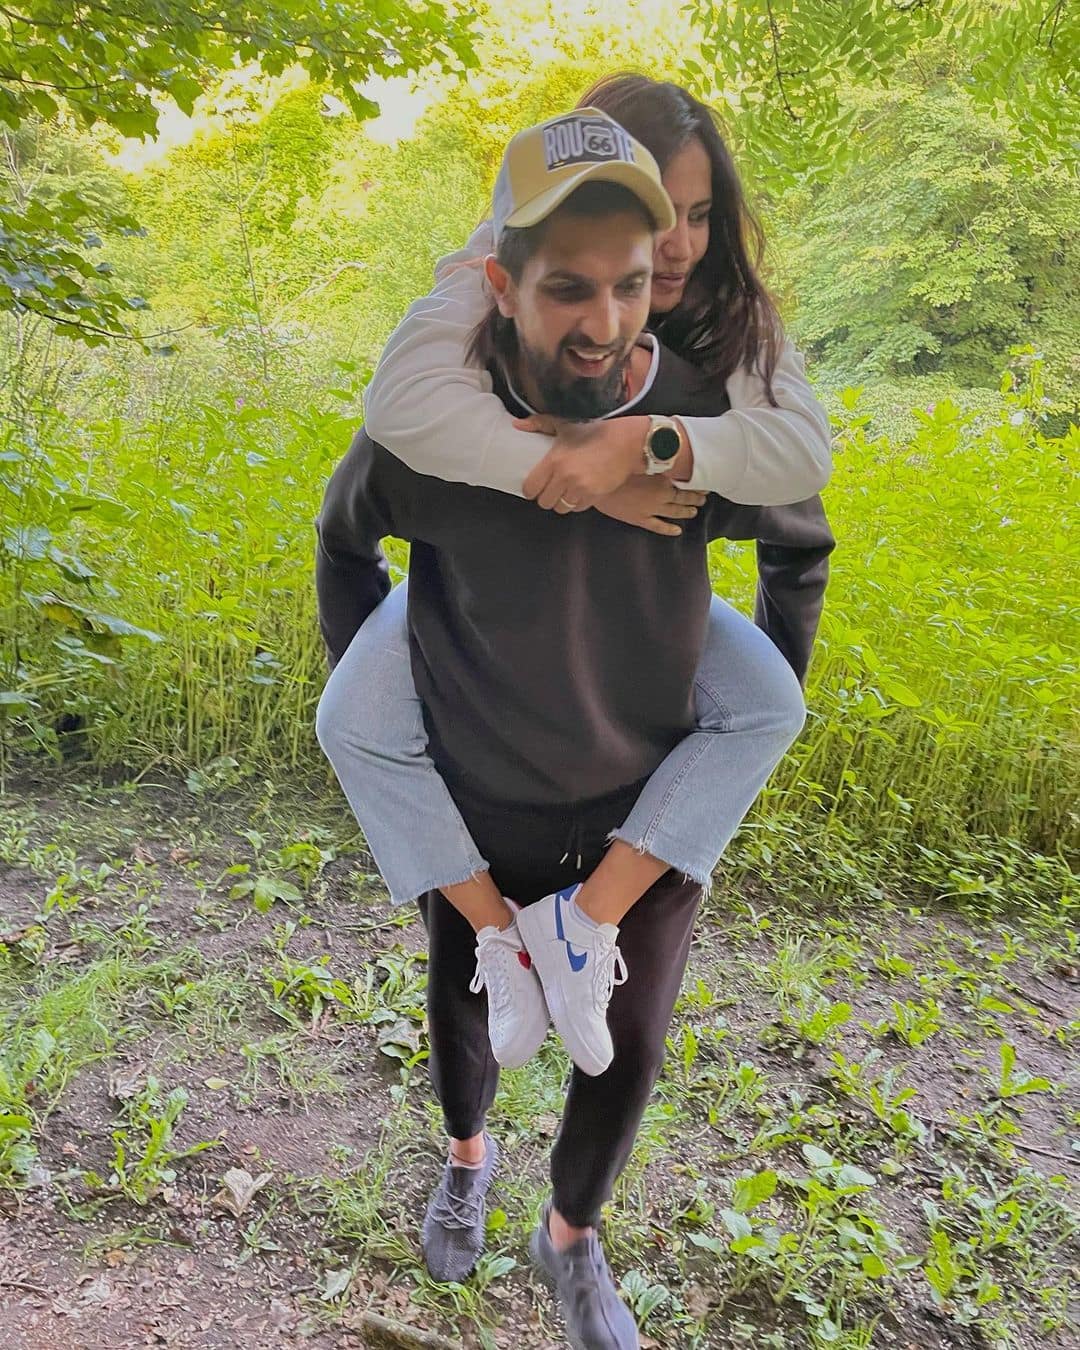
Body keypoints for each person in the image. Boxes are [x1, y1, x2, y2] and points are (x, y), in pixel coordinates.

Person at [316, 108, 833, 1350]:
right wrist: (404, 688)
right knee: (461, 1010)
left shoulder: (707, 418)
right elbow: (347, 533)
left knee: (629, 1048)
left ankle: (573, 1237)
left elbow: (801, 534)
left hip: (636, 808)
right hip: (483, 794)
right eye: (566, 288)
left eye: (637, 276)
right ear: (503, 280)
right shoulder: (436, 416)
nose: (608, 317)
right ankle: (464, 1157)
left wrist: (713, 745)